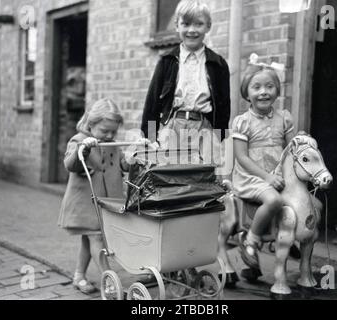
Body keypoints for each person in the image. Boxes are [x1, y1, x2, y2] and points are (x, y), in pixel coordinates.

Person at [140, 0, 230, 166]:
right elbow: (152, 102)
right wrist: (149, 137)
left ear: (208, 26)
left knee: (206, 174)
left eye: (198, 24)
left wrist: (219, 136)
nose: (192, 30)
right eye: (186, 24)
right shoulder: (167, 61)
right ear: (177, 26)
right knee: (170, 173)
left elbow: (224, 105)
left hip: (204, 126)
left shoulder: (218, 64)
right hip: (174, 125)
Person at [231, 54, 296, 276]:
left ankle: (289, 236)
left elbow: (291, 151)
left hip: (277, 175)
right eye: (256, 87)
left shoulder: (284, 118)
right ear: (247, 94)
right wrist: (267, 177)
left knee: (304, 200)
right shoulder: (243, 122)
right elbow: (242, 157)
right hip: (253, 177)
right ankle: (253, 238)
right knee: (274, 199)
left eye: (269, 86)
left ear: (277, 90)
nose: (263, 92)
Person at [58, 98, 130, 294]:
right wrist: (85, 149)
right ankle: (109, 280)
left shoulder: (112, 144)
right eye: (104, 131)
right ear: (91, 123)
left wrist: (134, 158)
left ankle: (78, 276)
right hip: (85, 203)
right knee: (96, 239)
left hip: (106, 202)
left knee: (88, 240)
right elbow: (70, 164)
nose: (109, 135)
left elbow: (123, 164)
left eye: (113, 132)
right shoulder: (80, 140)